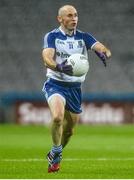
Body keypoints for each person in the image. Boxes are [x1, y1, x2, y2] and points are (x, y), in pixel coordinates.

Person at [42, 4, 111, 173]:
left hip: (75, 88)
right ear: (60, 19)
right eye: (70, 16)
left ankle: (54, 151)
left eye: (76, 15)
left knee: (69, 131)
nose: (74, 19)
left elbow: (104, 48)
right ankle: (57, 155)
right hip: (55, 84)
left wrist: (103, 53)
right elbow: (47, 58)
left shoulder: (83, 37)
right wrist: (59, 67)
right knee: (57, 118)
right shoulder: (52, 36)